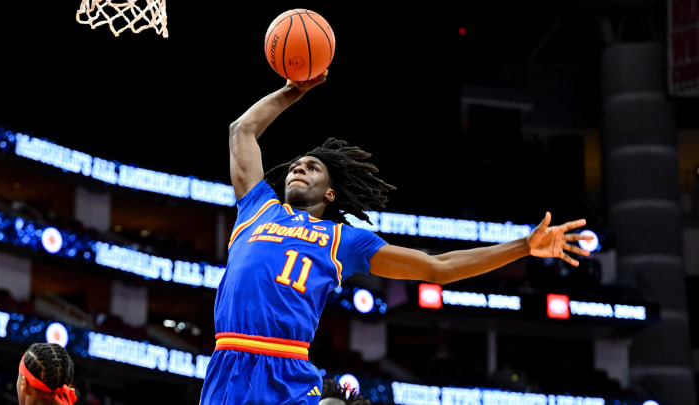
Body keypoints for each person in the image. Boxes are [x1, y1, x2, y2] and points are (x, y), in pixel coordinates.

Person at [198, 70, 593, 404]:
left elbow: (437, 268)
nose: (299, 168)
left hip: (287, 367)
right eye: (296, 166)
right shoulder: (257, 207)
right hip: (227, 360)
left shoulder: (343, 240)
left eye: (313, 167)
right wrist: (293, 90)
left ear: (331, 193)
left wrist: (523, 246)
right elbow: (242, 130)